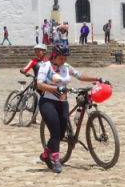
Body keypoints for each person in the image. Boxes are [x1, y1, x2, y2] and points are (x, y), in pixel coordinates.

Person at [35, 43, 108, 173]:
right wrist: (56, 88)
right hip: (48, 102)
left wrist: (98, 78)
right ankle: (56, 159)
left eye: (65, 58)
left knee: (62, 132)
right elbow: (39, 84)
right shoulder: (45, 66)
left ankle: (46, 154)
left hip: (63, 102)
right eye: (61, 58)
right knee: (55, 132)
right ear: (54, 56)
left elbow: (80, 76)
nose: (63, 60)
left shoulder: (66, 67)